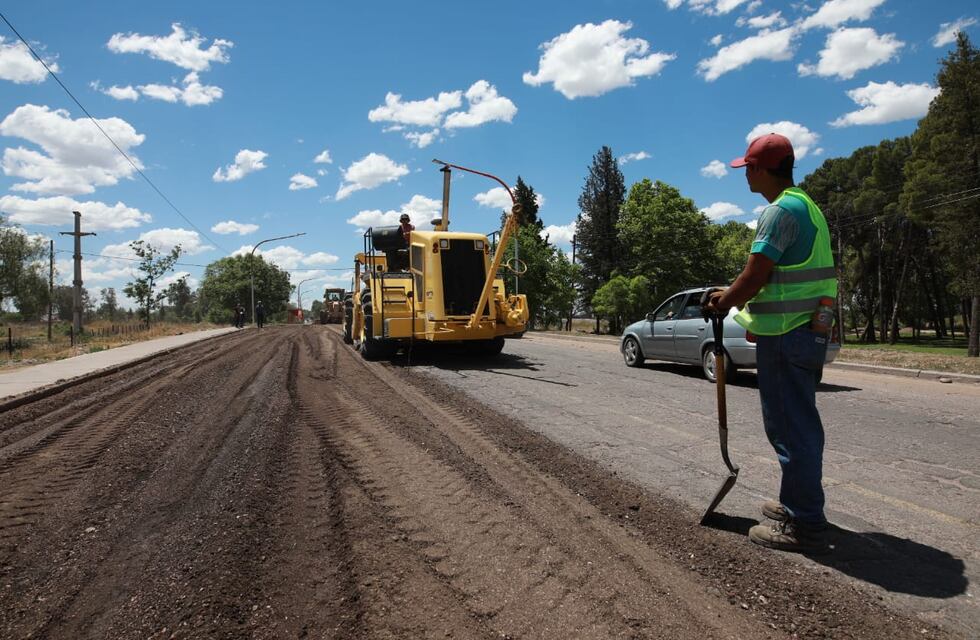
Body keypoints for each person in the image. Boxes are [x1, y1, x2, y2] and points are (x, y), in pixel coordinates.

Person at [704, 132, 837, 553]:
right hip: (807, 331)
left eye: (747, 169)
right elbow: (773, 274)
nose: (745, 176)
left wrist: (724, 301)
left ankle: (805, 523)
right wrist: (730, 293)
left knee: (789, 427)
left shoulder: (780, 211)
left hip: (787, 335)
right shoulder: (807, 206)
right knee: (800, 423)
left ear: (762, 169)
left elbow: (756, 274)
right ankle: (795, 503)